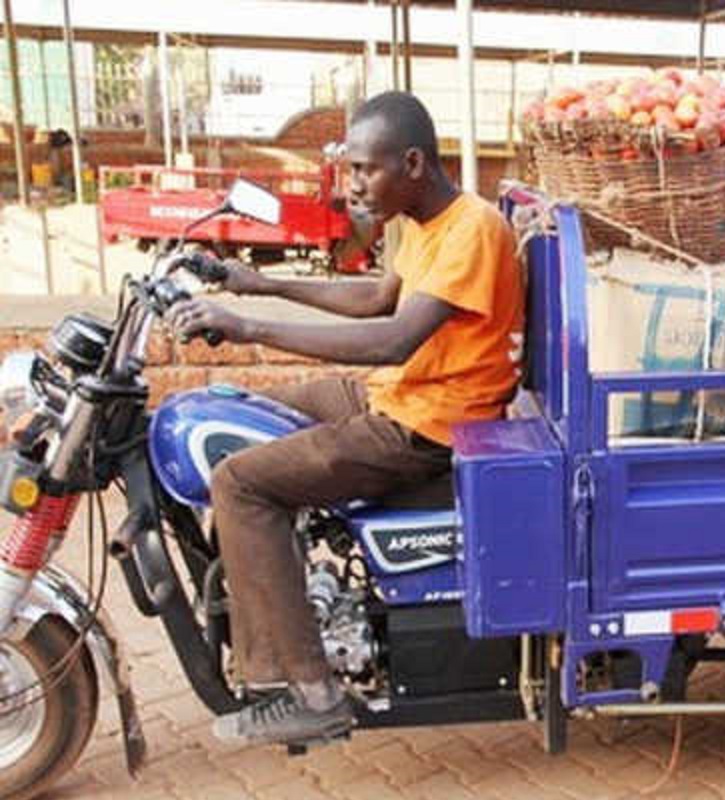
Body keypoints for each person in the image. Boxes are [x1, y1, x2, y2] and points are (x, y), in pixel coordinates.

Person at [165, 91, 526, 745]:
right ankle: (274, 581)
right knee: (249, 411)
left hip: (426, 427)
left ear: (412, 162)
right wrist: (262, 284)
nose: (353, 183)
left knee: (242, 484)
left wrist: (247, 325)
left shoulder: (472, 230)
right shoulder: (417, 222)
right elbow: (378, 296)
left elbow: (392, 337)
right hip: (391, 394)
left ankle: (308, 689)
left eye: (365, 168)